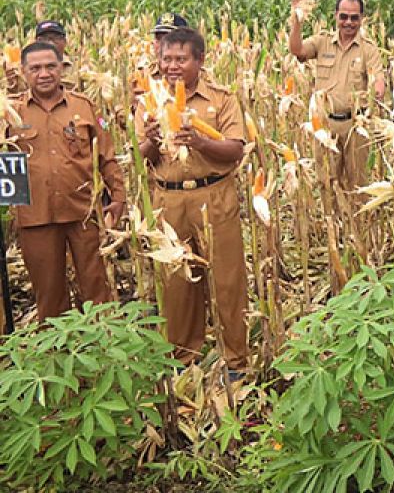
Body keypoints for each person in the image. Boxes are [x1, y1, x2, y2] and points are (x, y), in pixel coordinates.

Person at [135, 28, 249, 373]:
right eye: (166, 59)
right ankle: (184, 359)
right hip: (168, 201)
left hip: (213, 197)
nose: (172, 66)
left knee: (228, 282)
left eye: (181, 59)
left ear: (199, 60)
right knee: (175, 284)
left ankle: (236, 360)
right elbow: (139, 158)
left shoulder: (222, 99)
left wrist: (201, 142)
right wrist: (153, 140)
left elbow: (235, 149)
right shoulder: (150, 104)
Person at [4, 42, 125, 322]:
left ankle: (103, 345)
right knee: (48, 292)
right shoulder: (11, 113)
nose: (44, 73)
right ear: (23, 72)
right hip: (35, 215)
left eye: (50, 66)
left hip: (84, 212)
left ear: (62, 68)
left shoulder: (84, 107)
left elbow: (106, 156)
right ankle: (57, 353)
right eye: (35, 68)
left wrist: (118, 197)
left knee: (96, 285)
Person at [289, 0, 386, 191]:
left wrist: (376, 91)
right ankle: (330, 221)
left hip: (355, 126)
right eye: (343, 16)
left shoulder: (368, 49)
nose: (348, 22)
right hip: (325, 126)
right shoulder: (322, 42)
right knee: (327, 183)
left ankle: (357, 222)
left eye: (354, 18)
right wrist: (297, 19)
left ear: (362, 19)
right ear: (336, 16)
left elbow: (378, 80)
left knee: (358, 185)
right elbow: (297, 50)